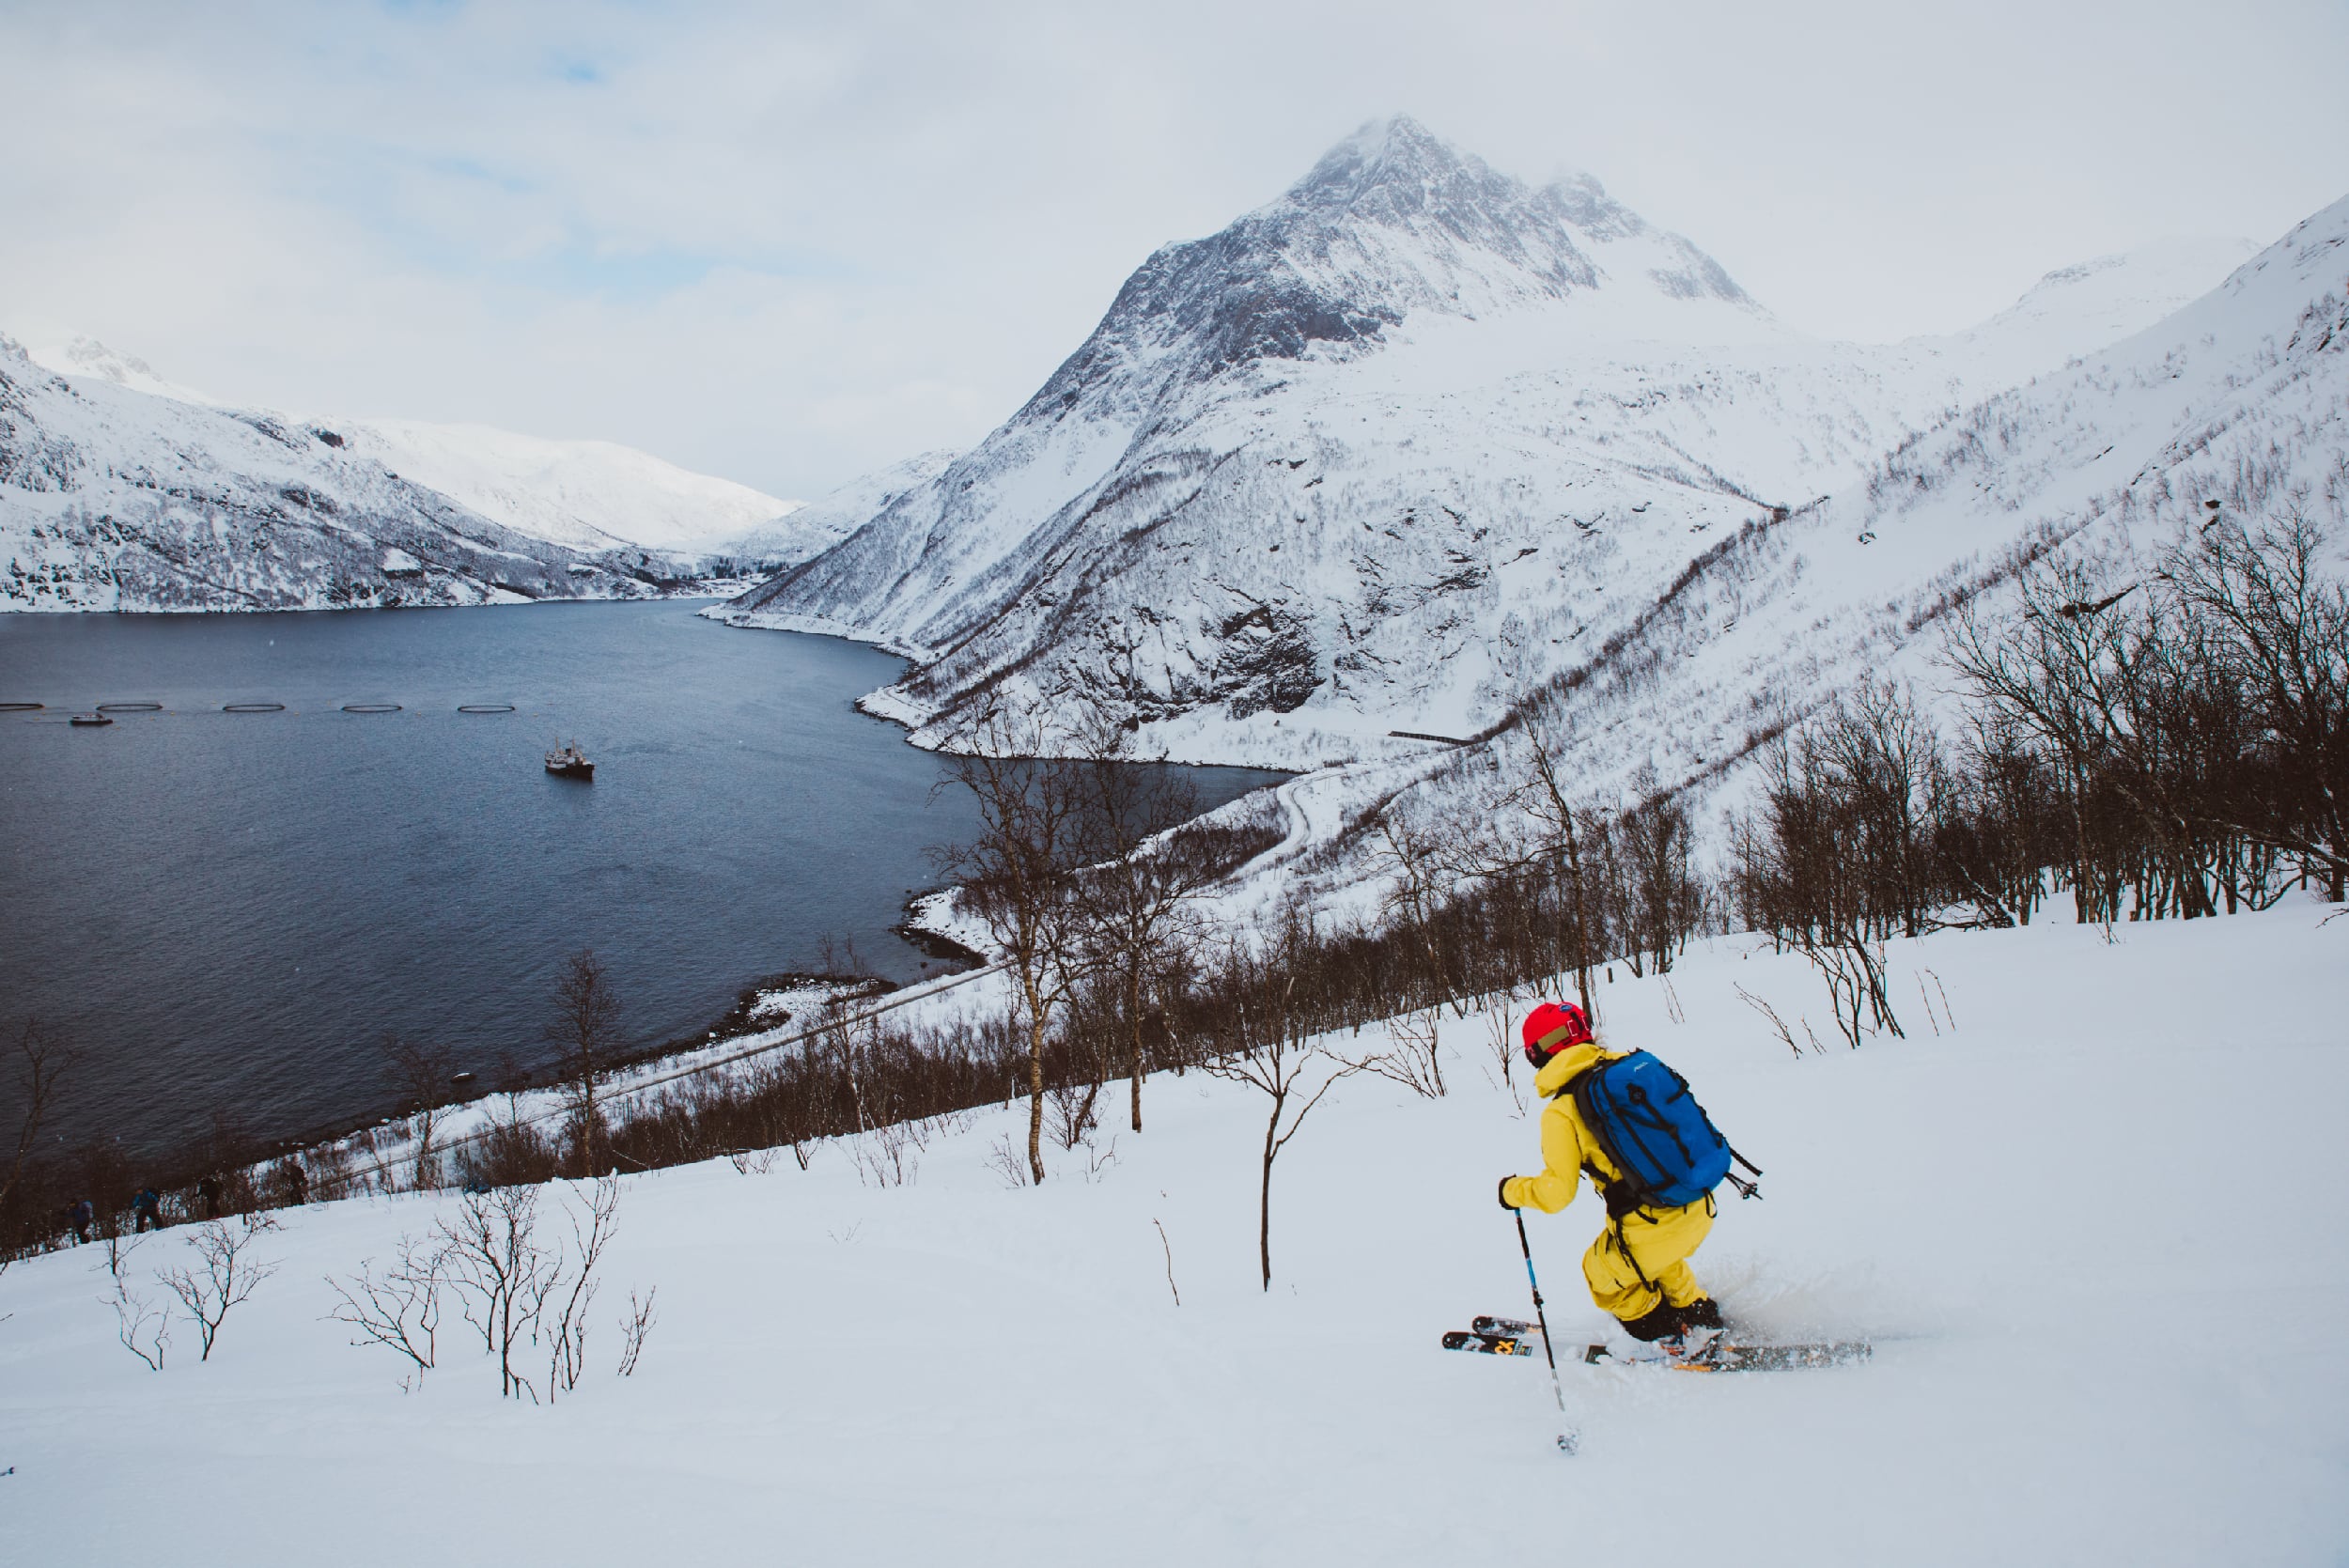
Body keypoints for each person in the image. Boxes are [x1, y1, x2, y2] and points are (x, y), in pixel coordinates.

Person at [1498, 1001, 1724, 1348]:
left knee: (1600, 1274)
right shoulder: (1626, 1073)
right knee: (1651, 1257)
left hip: (1653, 1221)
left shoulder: (1562, 1111)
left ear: (1539, 1053)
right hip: (1698, 1201)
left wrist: (1513, 1191)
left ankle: (1667, 1336)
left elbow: (1558, 1193)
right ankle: (1698, 1312)